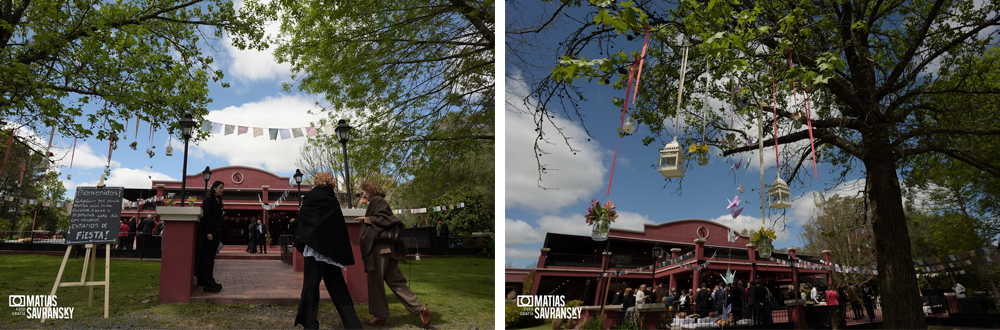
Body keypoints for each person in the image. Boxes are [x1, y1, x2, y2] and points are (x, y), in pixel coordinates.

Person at [356, 180, 431, 328]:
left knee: (375, 283)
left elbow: (387, 220)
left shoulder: (377, 200)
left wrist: (366, 219)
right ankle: (420, 309)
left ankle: (379, 315)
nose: (363, 194)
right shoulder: (379, 201)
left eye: (364, 191)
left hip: (379, 251)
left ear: (370, 190)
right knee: (396, 282)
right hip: (388, 251)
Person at [291, 172, 362, 329]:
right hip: (331, 253)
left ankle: (310, 324)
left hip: (315, 249)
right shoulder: (333, 199)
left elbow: (304, 217)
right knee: (338, 288)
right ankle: (353, 325)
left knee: (310, 287)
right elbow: (335, 226)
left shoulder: (311, 196)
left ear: (316, 182)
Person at [195, 181, 225, 293]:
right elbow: (206, 216)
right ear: (215, 188)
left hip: (216, 231)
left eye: (223, 188)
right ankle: (206, 279)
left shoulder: (218, 200)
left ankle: (208, 278)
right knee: (207, 256)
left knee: (211, 256)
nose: (222, 190)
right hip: (210, 232)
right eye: (220, 188)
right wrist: (208, 232)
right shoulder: (209, 199)